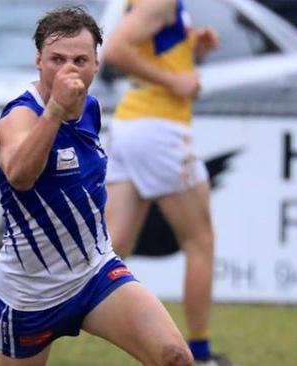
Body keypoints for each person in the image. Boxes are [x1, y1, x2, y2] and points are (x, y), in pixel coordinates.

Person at [0, 6, 195, 366]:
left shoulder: (90, 109)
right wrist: (54, 110)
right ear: (38, 61)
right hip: (31, 293)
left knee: (174, 357)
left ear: (96, 65)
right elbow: (20, 176)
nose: (68, 69)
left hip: (94, 274)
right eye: (57, 59)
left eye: (80, 59)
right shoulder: (19, 115)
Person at [102, 1, 233, 365]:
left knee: (109, 250)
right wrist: (175, 80)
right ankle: (202, 354)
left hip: (131, 127)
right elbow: (115, 49)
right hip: (159, 131)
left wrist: (193, 47)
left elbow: (151, 48)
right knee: (200, 242)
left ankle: (31, 272)